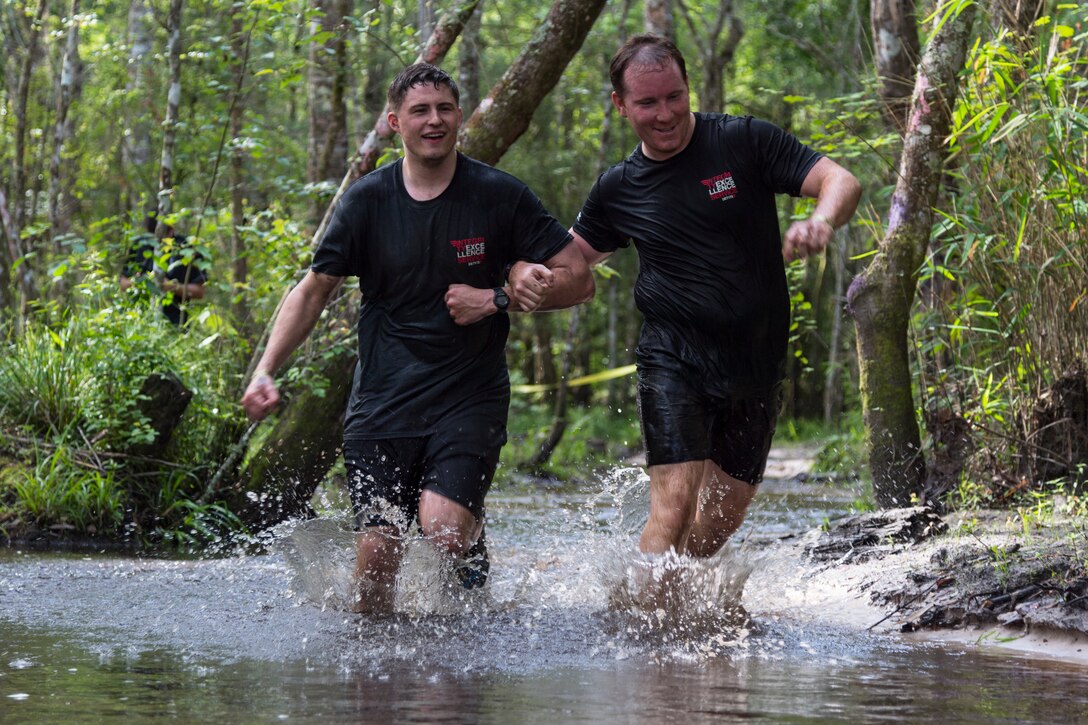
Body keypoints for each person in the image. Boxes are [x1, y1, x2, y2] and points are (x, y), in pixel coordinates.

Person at [241, 63, 593, 614]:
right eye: (420, 111)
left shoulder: (499, 196)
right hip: (384, 398)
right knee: (378, 561)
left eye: (445, 109)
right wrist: (267, 370)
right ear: (394, 123)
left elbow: (580, 279)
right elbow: (313, 290)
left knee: (444, 531)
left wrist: (500, 297)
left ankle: (468, 536)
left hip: (468, 394)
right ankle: (378, 688)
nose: (435, 120)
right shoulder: (367, 201)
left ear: (459, 116)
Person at [557, 34, 861, 560]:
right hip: (674, 358)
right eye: (647, 102)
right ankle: (644, 634)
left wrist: (821, 221)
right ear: (620, 104)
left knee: (715, 526)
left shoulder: (743, 141)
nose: (666, 113)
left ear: (688, 87)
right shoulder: (618, 188)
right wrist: (510, 286)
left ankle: (662, 606)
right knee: (672, 506)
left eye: (674, 96)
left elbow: (840, 179)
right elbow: (570, 259)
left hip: (755, 364)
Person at [121, 214, 207, 326]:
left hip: (176, 324)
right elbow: (123, 283)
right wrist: (141, 283)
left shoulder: (187, 249)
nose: (157, 241)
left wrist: (171, 287)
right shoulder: (140, 246)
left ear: (172, 230)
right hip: (141, 322)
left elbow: (199, 291)